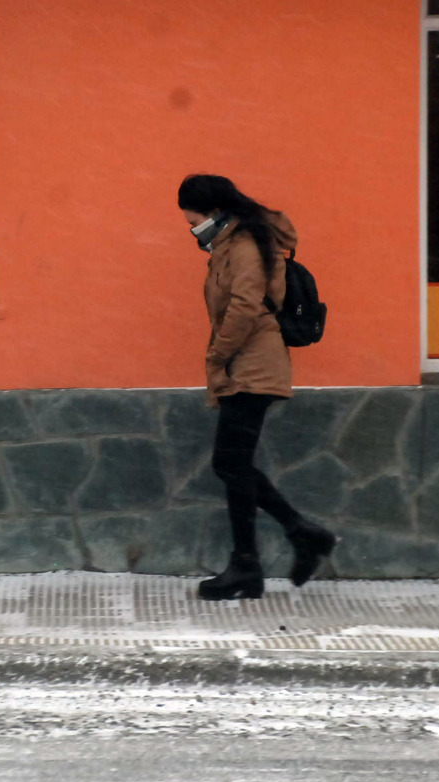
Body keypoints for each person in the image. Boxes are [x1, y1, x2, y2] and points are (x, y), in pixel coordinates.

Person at [178, 174, 337, 600]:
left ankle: (294, 537)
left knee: (230, 464)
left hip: (253, 365)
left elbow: (245, 307)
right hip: (247, 364)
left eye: (191, 220)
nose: (190, 229)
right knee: (234, 465)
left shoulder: (244, 246)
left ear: (211, 212)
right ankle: (252, 561)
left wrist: (217, 356)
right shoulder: (231, 243)